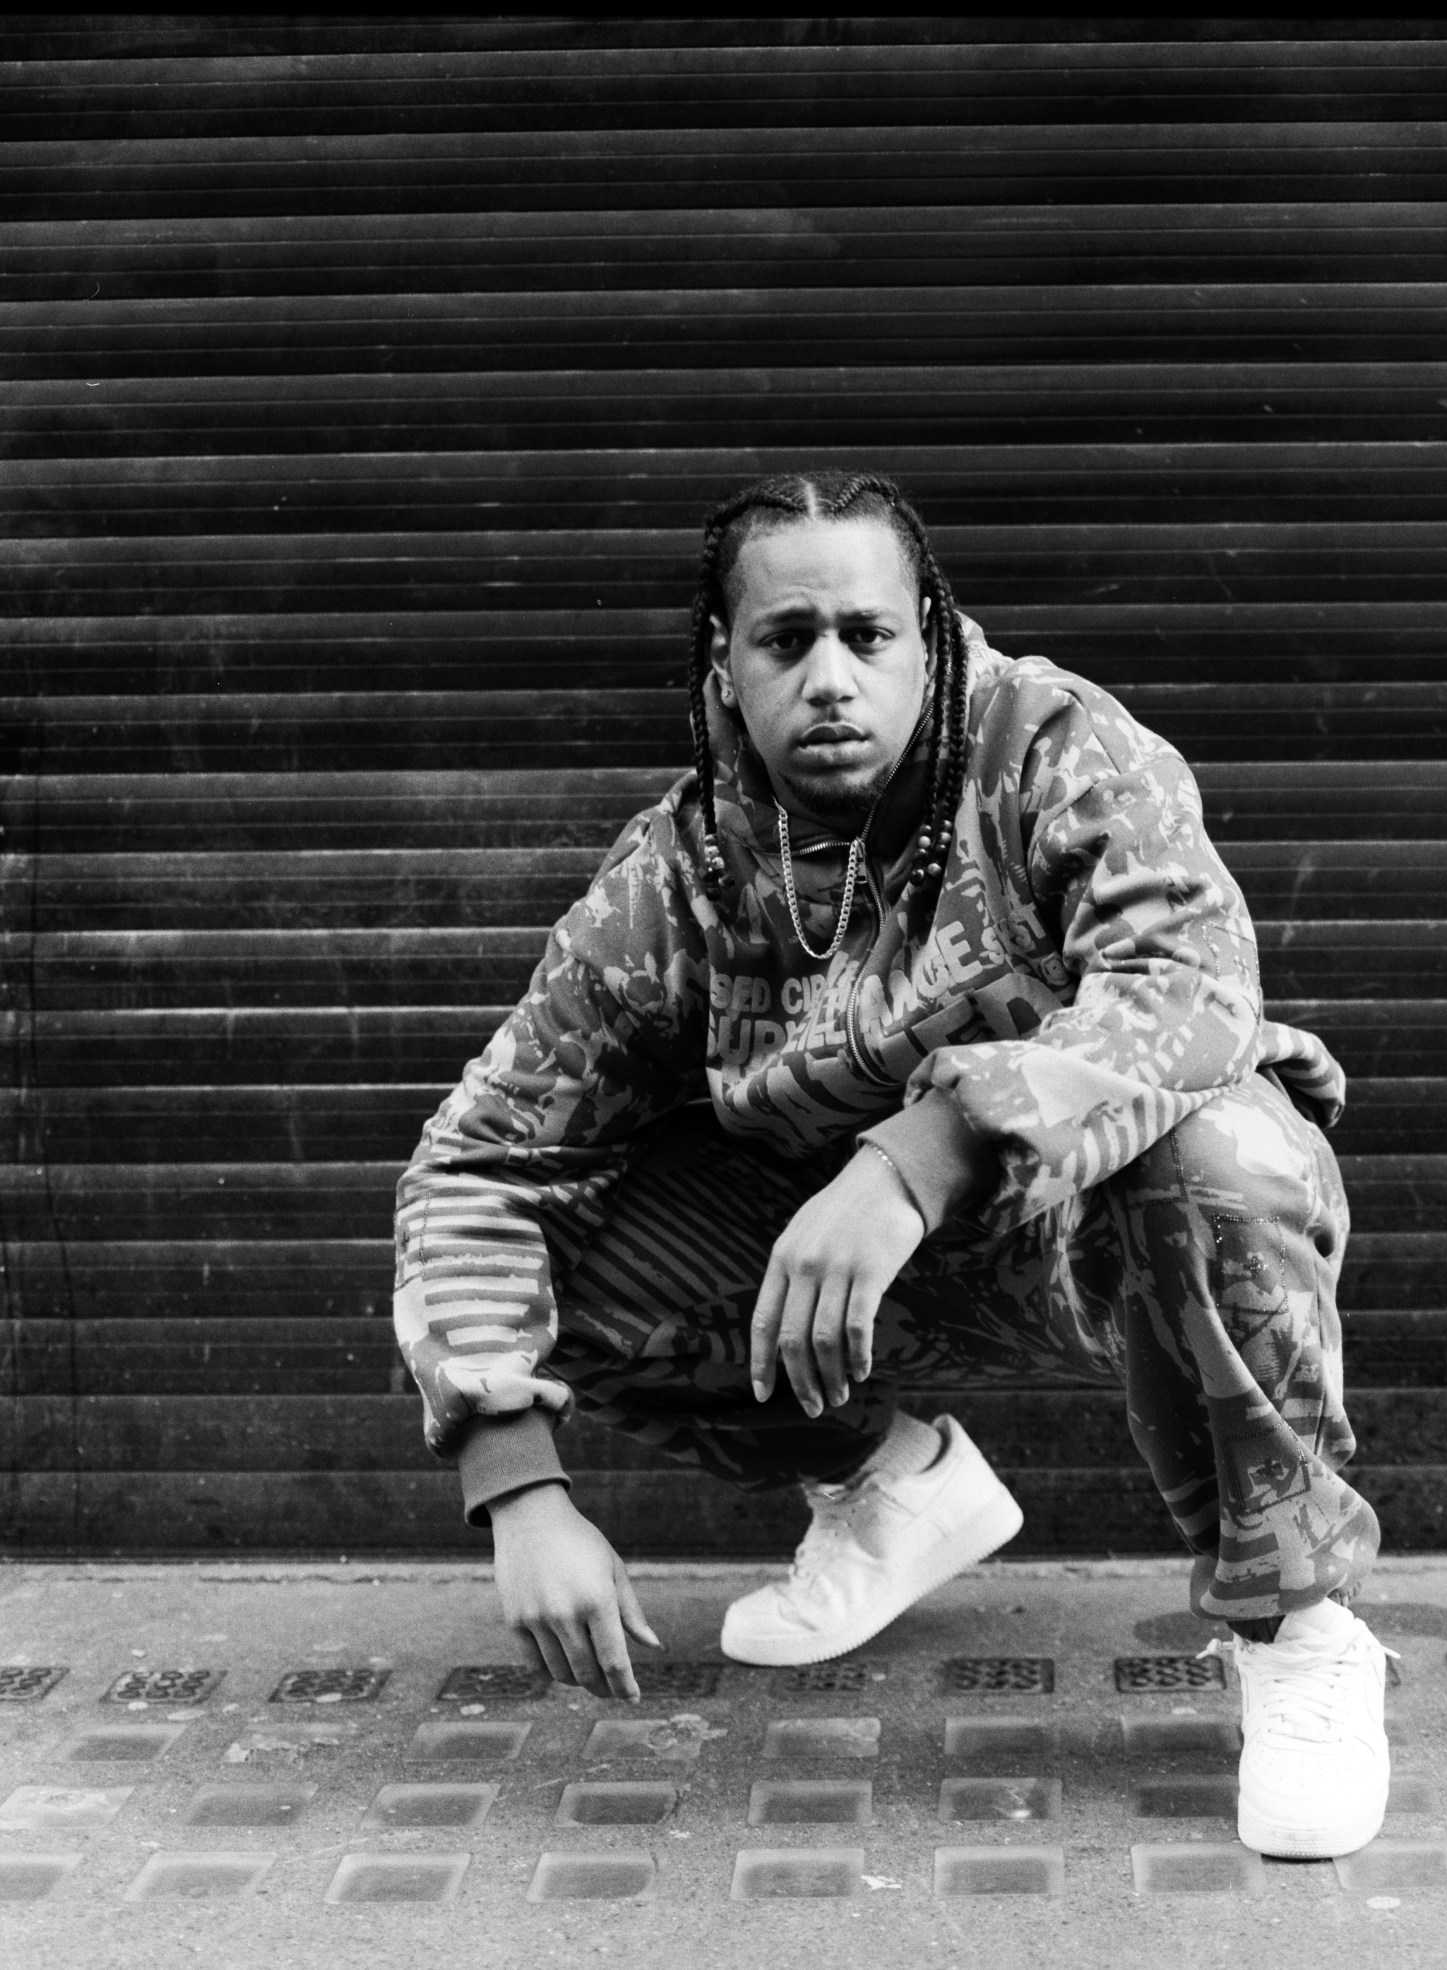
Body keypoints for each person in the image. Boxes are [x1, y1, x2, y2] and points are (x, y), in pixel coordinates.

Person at [391, 470, 1389, 1858]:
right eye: (785, 640)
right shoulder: (675, 876)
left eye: (869, 635)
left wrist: (916, 1155)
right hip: (854, 1277)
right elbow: (479, 1162)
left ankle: (1301, 1631)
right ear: (724, 671)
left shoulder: (1049, 744)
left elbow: (1191, 985)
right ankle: (888, 1486)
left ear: (929, 635)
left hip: (1092, 1227)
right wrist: (515, 1476)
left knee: (1228, 1147)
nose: (832, 677)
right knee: (577, 1235)